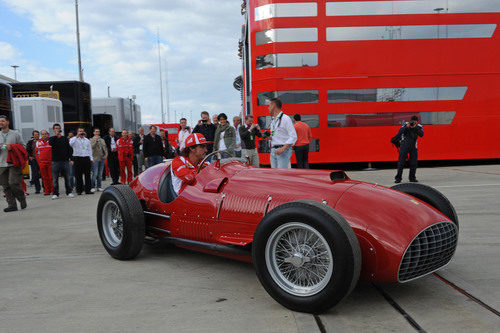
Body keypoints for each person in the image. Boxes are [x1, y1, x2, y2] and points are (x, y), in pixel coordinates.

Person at [0, 115, 27, 212]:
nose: (1, 123)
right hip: (1, 164)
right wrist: (3, 147)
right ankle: (12, 205)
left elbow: (23, 146)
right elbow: (3, 147)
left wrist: (13, 147)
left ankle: (21, 198)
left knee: (13, 183)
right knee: (6, 186)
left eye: (3, 121)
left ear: (7, 122)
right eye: (0, 121)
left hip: (13, 163)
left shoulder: (15, 134)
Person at [264, 98, 297, 168]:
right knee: (275, 175)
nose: (268, 108)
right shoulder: (273, 120)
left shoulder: (285, 118)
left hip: (283, 151)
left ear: (273, 106)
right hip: (273, 151)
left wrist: (283, 148)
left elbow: (293, 136)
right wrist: (270, 137)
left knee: (281, 175)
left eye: (269, 106)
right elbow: (274, 134)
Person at [394, 116, 424, 183]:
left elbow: (421, 134)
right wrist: (406, 127)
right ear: (410, 121)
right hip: (404, 146)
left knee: (413, 163)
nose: (413, 123)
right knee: (401, 163)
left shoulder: (419, 126)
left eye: (415, 122)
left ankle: (412, 178)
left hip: (413, 147)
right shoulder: (406, 124)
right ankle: (398, 178)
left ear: (417, 122)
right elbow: (399, 133)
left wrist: (415, 127)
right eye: (412, 121)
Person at [49, 123, 74, 199]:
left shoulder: (64, 138)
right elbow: (51, 144)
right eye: (55, 128)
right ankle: (55, 193)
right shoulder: (52, 138)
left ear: (60, 129)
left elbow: (69, 149)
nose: (57, 130)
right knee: (55, 178)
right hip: (55, 161)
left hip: (65, 161)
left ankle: (69, 192)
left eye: (58, 128)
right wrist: (56, 136)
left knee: (67, 177)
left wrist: (71, 159)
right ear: (53, 130)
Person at [69, 127, 93, 195]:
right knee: (78, 175)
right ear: (77, 132)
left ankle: (88, 190)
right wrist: (77, 136)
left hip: (86, 158)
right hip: (77, 158)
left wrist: (91, 158)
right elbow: (70, 144)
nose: (81, 132)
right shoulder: (74, 139)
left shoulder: (87, 140)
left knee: (87, 175)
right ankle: (79, 190)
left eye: (82, 131)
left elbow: (89, 149)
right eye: (79, 131)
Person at [35, 130, 53, 196]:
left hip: (50, 162)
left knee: (51, 177)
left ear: (48, 134)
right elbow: (36, 153)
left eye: (45, 134)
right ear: (41, 135)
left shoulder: (51, 141)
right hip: (42, 163)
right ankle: (46, 191)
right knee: (44, 177)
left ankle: (53, 190)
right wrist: (39, 162)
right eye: (42, 134)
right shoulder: (38, 142)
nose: (44, 135)